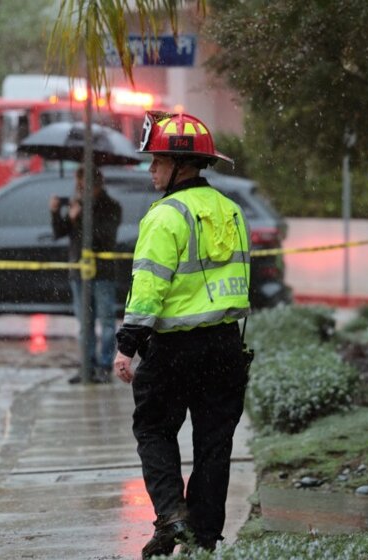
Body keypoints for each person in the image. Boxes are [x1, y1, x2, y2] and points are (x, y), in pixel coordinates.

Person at [112, 112, 251, 557]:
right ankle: (203, 538)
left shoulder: (165, 215)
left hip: (173, 348)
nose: (151, 169)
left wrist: (126, 346)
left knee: (154, 428)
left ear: (181, 165)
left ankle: (172, 514)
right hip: (225, 344)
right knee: (214, 444)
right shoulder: (230, 211)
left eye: (157, 161)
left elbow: (149, 286)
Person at [50, 165, 122, 384]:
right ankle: (87, 366)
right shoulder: (78, 204)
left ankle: (104, 366)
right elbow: (59, 232)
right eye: (77, 184)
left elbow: (103, 237)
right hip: (79, 272)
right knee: (85, 323)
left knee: (107, 321)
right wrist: (57, 213)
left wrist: (80, 217)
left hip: (102, 272)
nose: (79, 189)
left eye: (82, 184)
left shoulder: (110, 206)